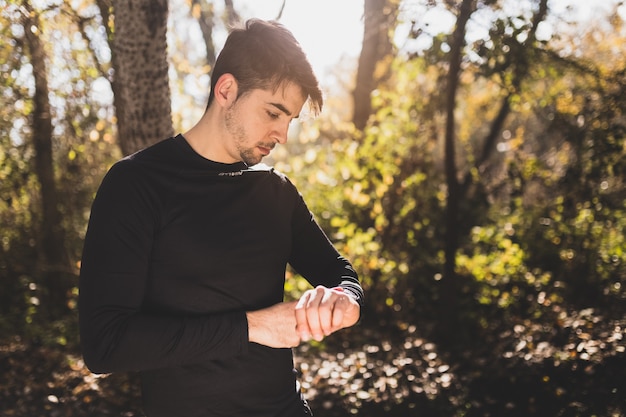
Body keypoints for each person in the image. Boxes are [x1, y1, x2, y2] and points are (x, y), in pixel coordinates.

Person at [78, 18, 364, 417]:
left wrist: (346, 301)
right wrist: (254, 326)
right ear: (226, 89)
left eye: (289, 120)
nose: (282, 134)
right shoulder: (137, 184)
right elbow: (105, 345)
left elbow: (340, 273)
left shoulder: (276, 192)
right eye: (273, 113)